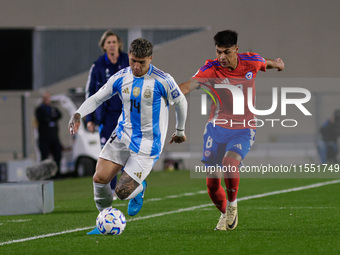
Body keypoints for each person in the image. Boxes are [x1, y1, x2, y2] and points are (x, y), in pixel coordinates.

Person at [68, 38, 188, 235]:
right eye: (133, 61)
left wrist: (180, 131)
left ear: (151, 58)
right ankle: (103, 222)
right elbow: (98, 97)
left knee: (122, 192)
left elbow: (181, 102)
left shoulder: (162, 80)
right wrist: (79, 113)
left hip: (148, 144)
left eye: (142, 62)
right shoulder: (121, 77)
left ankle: (140, 187)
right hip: (122, 136)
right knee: (99, 178)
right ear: (129, 57)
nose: (136, 66)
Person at [179, 30, 284, 231]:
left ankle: (232, 206)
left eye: (226, 52)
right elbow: (187, 86)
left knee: (229, 163)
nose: (222, 57)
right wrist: (169, 95)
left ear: (236, 49)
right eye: (218, 52)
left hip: (244, 128)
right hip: (216, 128)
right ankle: (224, 211)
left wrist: (278, 64)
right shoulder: (211, 69)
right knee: (211, 185)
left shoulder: (251, 62)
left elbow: (266, 63)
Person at [85, 30, 129, 198]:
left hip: (128, 114)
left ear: (119, 44)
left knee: (129, 149)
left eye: (114, 42)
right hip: (107, 116)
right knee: (109, 152)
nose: (111, 45)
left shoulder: (128, 61)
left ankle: (127, 187)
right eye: (108, 42)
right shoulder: (97, 66)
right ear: (103, 46)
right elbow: (91, 93)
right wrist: (90, 119)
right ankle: (110, 189)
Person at [35, 91, 63, 177]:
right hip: (44, 137)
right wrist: (51, 117)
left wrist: (52, 117)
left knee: (57, 154)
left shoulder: (53, 109)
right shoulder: (39, 110)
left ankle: (57, 173)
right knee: (45, 156)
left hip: (54, 137)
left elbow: (59, 115)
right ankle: (46, 174)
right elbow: (44, 119)